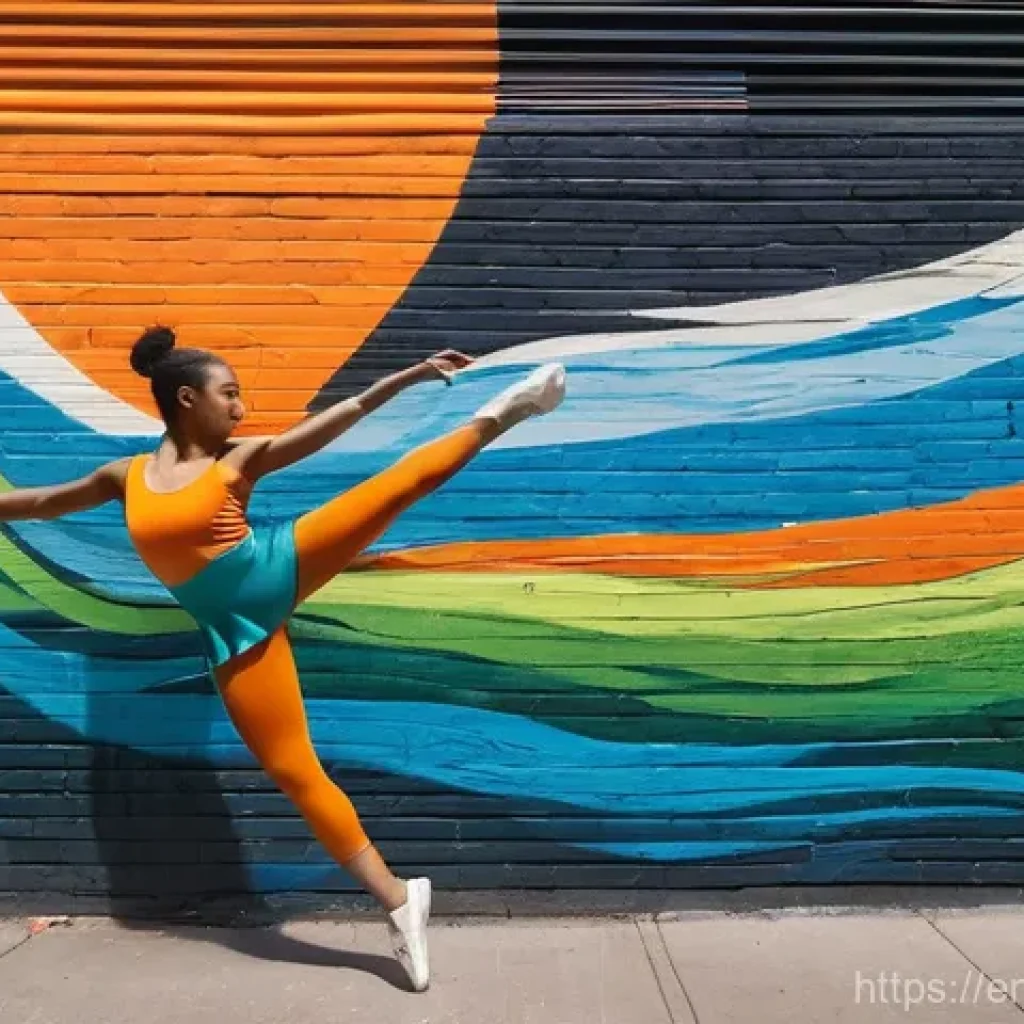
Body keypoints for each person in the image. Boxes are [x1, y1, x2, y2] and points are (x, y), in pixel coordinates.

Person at [0, 325, 566, 991]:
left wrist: (410, 376)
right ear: (187, 399)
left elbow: (339, 419)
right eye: (229, 394)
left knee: (397, 487)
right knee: (295, 773)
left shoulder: (237, 463)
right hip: (234, 633)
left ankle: (509, 409)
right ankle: (398, 900)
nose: (241, 408)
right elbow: (38, 503)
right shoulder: (122, 479)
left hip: (277, 566)